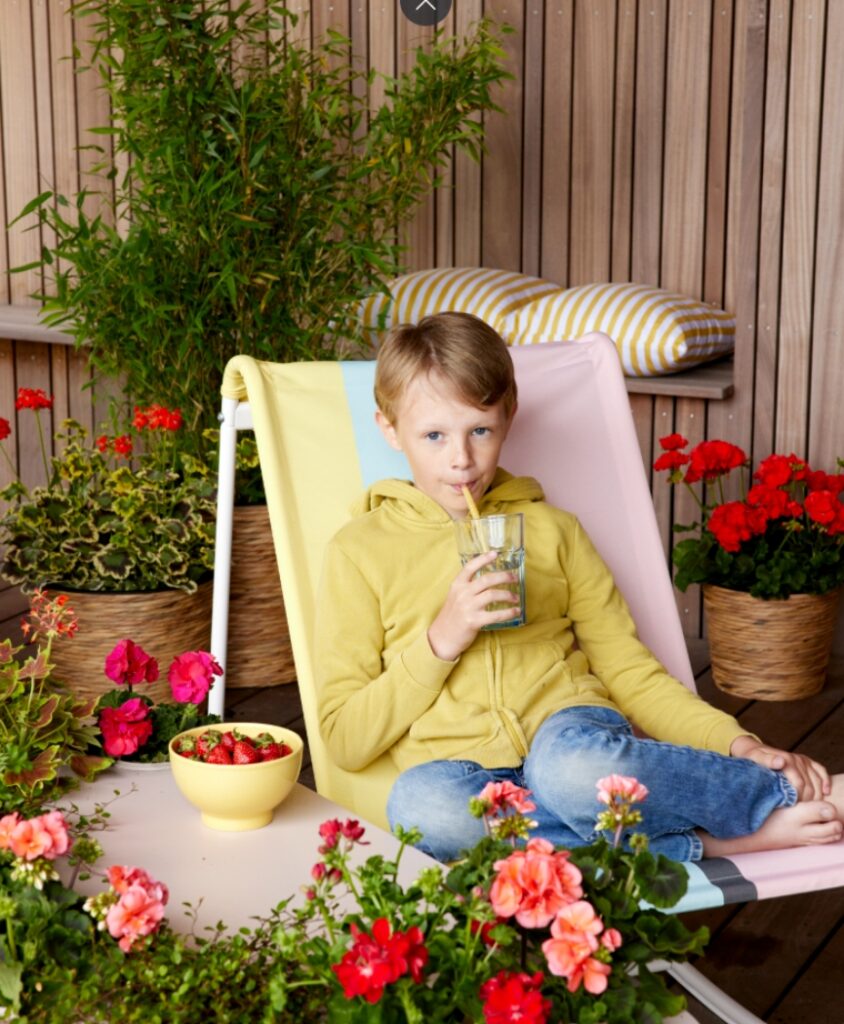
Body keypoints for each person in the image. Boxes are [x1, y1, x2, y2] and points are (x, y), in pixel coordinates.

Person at [314, 311, 844, 863]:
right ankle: (709, 841)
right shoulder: (359, 551)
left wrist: (738, 743)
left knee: (570, 772)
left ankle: (771, 795)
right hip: (457, 769)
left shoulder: (554, 531)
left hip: (568, 736)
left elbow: (631, 673)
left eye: (480, 430)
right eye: (433, 436)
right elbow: (346, 738)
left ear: (509, 417)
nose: (461, 460)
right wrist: (440, 641)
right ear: (389, 429)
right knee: (421, 808)